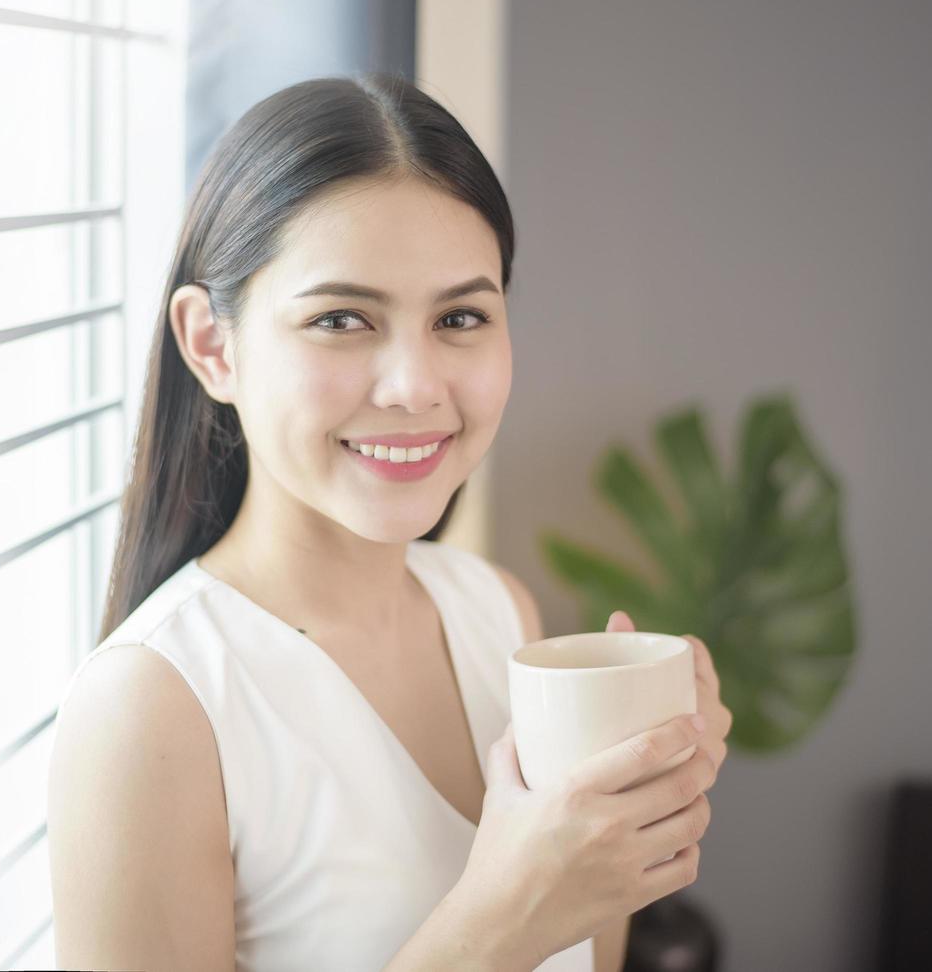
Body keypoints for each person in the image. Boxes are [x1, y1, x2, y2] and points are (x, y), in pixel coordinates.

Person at [47, 72, 733, 971]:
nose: (416, 386)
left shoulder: (499, 613)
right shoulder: (151, 713)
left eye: (461, 315)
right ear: (213, 345)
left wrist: (630, 813)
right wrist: (502, 920)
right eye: (341, 318)